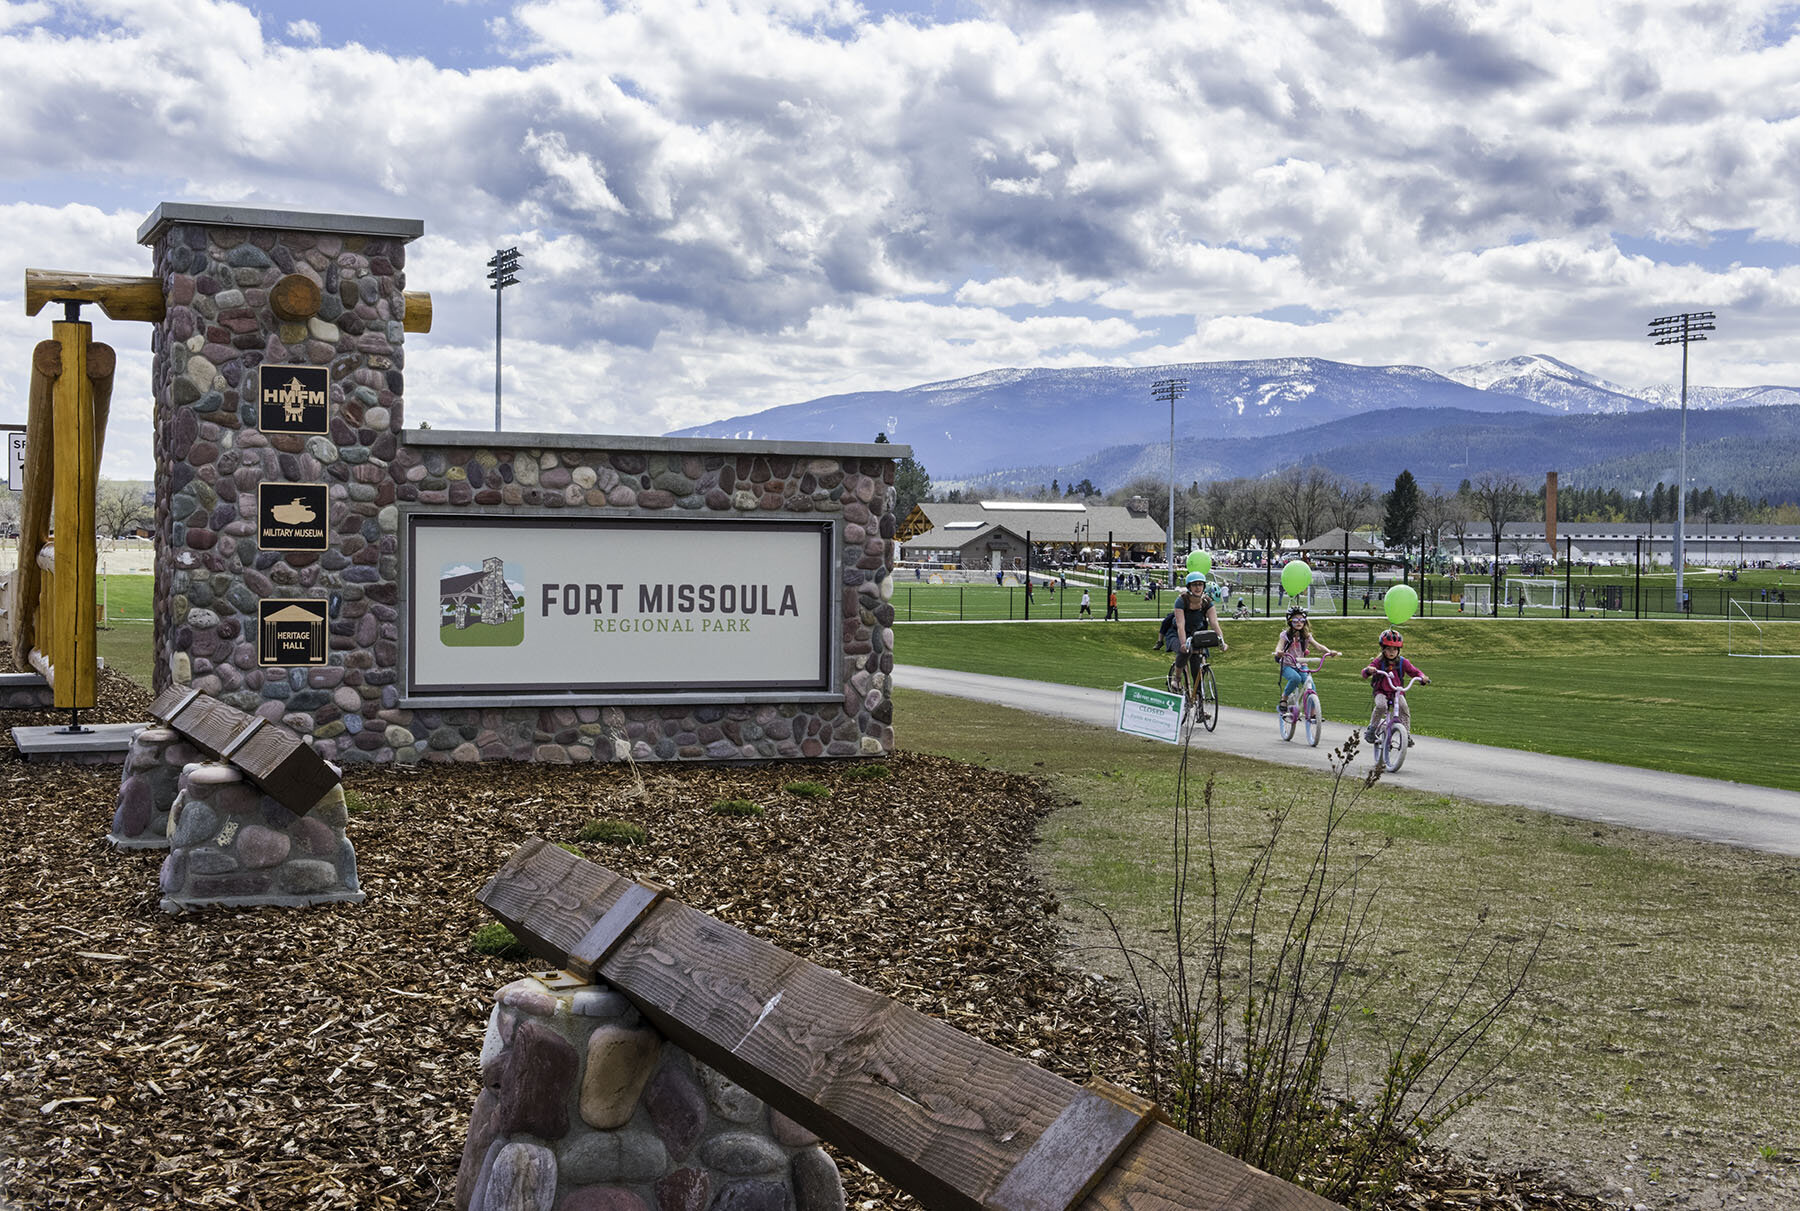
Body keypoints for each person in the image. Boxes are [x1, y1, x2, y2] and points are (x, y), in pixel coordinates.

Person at [1162, 571, 1229, 715]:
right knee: (1184, 652)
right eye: (1194, 585)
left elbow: (1214, 623)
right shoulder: (1181, 601)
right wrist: (1183, 644)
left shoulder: (1207, 603)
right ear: (1189, 587)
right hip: (1178, 634)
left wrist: (1222, 641)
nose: (1198, 587)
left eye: (1200, 584)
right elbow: (1180, 624)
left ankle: (1200, 708)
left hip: (1197, 635)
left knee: (1197, 668)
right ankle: (1177, 678)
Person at [1362, 628, 1429, 747]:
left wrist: (1422, 677)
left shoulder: (1403, 662)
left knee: (1404, 708)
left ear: (1399, 650)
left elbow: (1414, 671)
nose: (1392, 652)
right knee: (1381, 706)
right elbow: (1365, 672)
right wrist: (1369, 670)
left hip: (1397, 692)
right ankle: (1372, 729)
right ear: (1383, 649)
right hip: (1381, 691)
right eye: (1388, 649)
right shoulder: (1379, 661)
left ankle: (1406, 735)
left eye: (1395, 649)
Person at [1273, 606, 1339, 717]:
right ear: (1290, 621)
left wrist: (1329, 651)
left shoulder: (1306, 636)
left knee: (1311, 685)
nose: (1299, 622)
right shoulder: (1285, 635)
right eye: (1295, 620)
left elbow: (1318, 646)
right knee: (1295, 678)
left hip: (1301, 664)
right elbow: (1279, 646)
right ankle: (1284, 697)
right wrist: (1278, 652)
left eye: (1302, 620)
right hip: (1287, 665)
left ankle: (1313, 714)